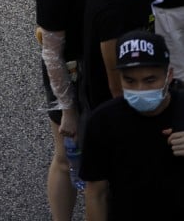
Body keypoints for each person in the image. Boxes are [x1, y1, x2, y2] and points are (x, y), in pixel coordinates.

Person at [35, 0, 110, 221]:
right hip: (71, 75)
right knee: (66, 158)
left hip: (104, 67)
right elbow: (52, 53)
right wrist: (67, 109)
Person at [79, 30, 184, 219]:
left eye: (150, 80)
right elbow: (96, 193)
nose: (140, 89)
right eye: (130, 81)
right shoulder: (103, 121)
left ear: (169, 75)